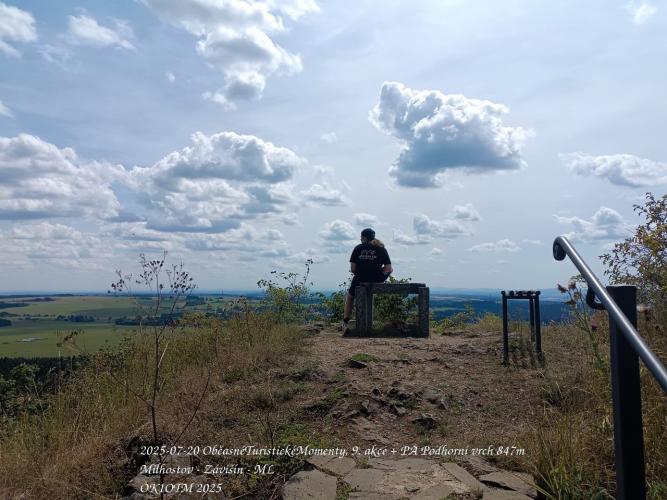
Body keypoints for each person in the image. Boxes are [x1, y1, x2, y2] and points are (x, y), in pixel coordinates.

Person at [342, 228, 393, 332]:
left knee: (350, 297)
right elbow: (388, 268)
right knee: (391, 269)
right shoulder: (381, 248)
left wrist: (362, 274)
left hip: (360, 279)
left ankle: (346, 321)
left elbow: (353, 269)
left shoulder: (358, 248)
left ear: (364, 238)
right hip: (377, 279)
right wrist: (379, 273)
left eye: (361, 237)